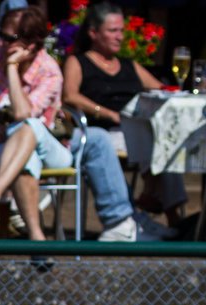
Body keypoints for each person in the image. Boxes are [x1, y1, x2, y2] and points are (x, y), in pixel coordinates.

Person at [0, 5, 159, 241]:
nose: (0, 42)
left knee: (30, 127)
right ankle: (37, 239)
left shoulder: (50, 71)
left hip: (50, 149)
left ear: (31, 44)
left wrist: (11, 68)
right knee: (26, 157)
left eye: (8, 38)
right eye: (0, 35)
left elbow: (23, 114)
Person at [60, 2, 180, 234]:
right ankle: (149, 201)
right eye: (113, 31)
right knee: (151, 139)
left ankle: (171, 214)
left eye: (122, 31)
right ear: (93, 33)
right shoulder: (79, 62)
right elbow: (69, 95)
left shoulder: (129, 65)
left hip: (133, 130)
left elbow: (160, 90)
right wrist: (108, 114)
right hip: (101, 133)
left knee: (168, 140)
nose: (120, 37)